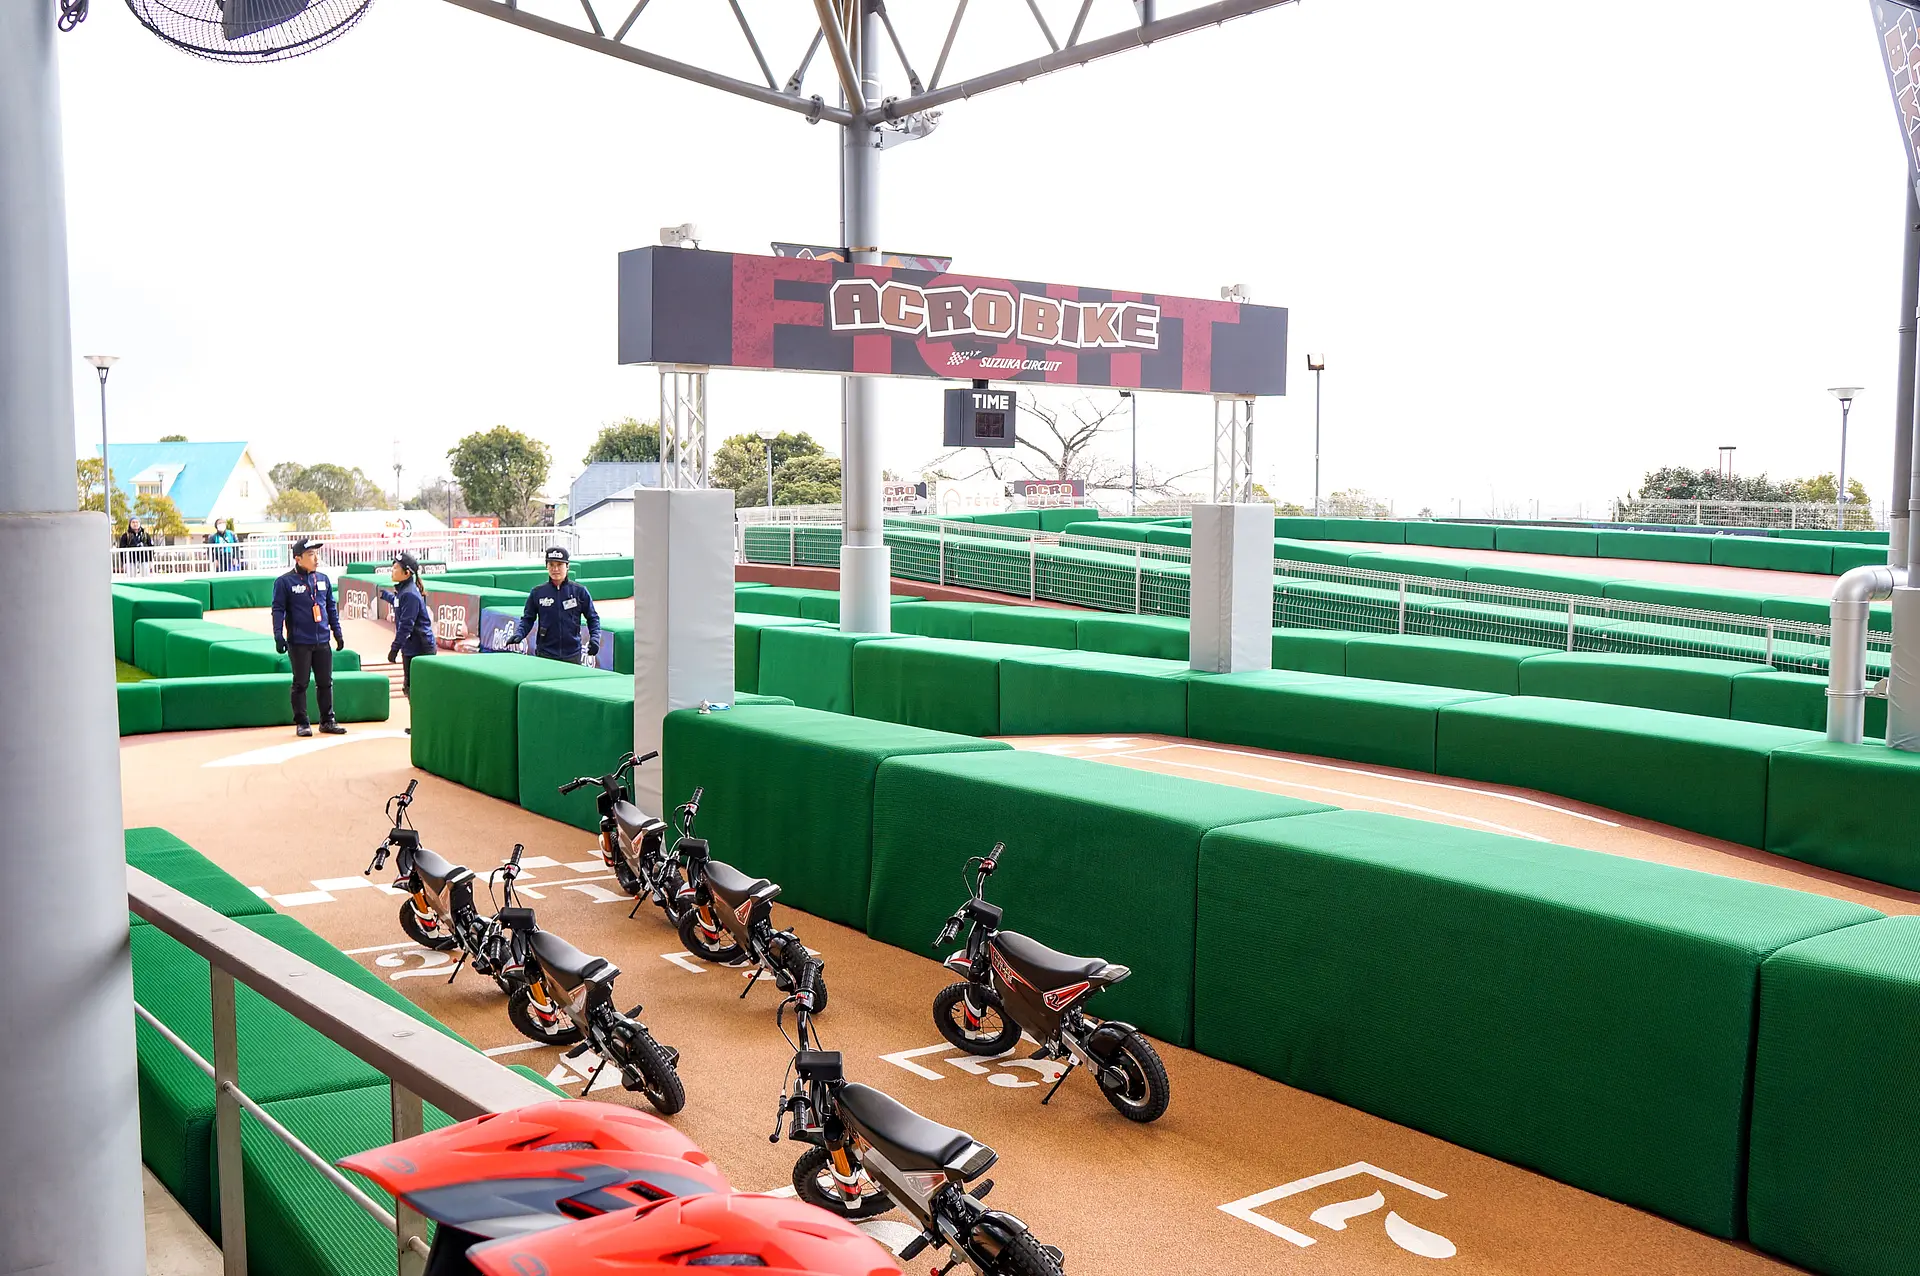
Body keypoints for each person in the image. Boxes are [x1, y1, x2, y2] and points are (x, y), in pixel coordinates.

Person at [271, 536, 347, 737]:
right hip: (299, 642)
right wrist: (278, 634)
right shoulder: (284, 582)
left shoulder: (323, 579)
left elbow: (331, 607)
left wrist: (337, 632)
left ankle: (327, 720)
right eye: (311, 554)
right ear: (298, 558)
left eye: (316, 554)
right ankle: (302, 722)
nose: (316, 558)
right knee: (301, 683)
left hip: (322, 640)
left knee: (325, 682)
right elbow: (278, 609)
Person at [508, 546, 601, 664]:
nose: (555, 569)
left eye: (559, 565)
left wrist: (595, 639)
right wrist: (519, 634)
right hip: (545, 654)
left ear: (567, 566)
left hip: (572, 655)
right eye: (551, 565)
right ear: (546, 566)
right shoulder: (537, 592)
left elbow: (593, 618)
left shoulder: (579, 591)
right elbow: (528, 619)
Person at [381, 551, 437, 734]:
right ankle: (419, 724)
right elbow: (398, 602)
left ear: (406, 573)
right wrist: (387, 596)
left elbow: (406, 625)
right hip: (411, 647)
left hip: (420, 648)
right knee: (410, 687)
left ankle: (423, 725)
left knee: (418, 689)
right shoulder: (404, 592)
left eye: (396, 567)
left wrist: (394, 649)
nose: (392, 570)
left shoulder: (410, 594)